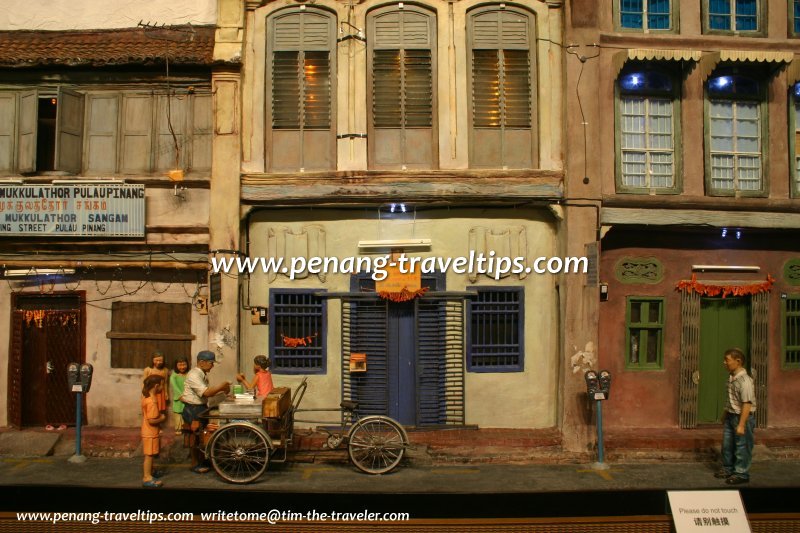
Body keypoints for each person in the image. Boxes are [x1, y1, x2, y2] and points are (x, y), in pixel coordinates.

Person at [180, 350, 230, 473]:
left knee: (201, 436)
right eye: (211, 363)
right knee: (195, 437)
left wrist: (221, 393)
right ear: (201, 362)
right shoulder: (193, 375)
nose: (212, 366)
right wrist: (222, 385)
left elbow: (207, 393)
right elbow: (206, 393)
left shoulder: (202, 374)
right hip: (193, 410)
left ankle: (201, 460)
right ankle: (194, 463)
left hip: (200, 408)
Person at [714, 347, 756, 485]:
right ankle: (728, 468)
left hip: (742, 417)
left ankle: (741, 473)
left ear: (738, 361)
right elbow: (731, 399)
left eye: (727, 360)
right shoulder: (732, 378)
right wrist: (725, 414)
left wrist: (742, 424)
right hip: (731, 416)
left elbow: (747, 404)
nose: (724, 363)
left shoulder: (745, 381)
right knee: (727, 445)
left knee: (742, 446)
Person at [141, 374, 166, 488]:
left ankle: (151, 473)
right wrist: (162, 418)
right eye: (162, 385)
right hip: (150, 432)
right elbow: (151, 420)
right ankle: (147, 477)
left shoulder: (148, 398)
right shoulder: (152, 402)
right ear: (156, 386)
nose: (163, 388)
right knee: (149, 455)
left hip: (151, 431)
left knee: (151, 454)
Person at [169, 356, 189, 435]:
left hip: (188, 398)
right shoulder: (174, 376)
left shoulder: (189, 374)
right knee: (178, 414)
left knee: (187, 413)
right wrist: (180, 396)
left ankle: (186, 428)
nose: (182, 367)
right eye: (180, 365)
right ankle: (178, 428)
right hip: (179, 399)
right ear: (176, 366)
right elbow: (175, 387)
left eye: (184, 364)